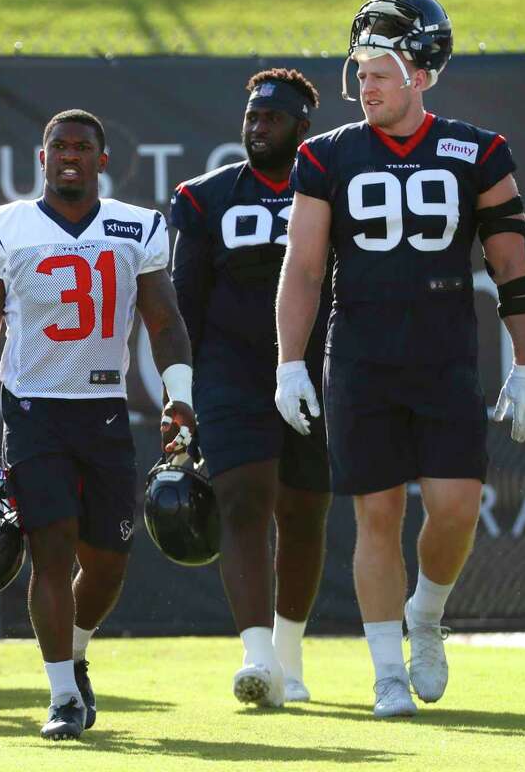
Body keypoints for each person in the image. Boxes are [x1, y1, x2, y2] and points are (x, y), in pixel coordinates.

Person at [276, 0, 525, 718]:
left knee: (457, 507)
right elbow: (303, 268)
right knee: (377, 513)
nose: (365, 84)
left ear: (421, 76)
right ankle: (385, 674)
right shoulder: (324, 154)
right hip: (361, 354)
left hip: (443, 354)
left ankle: (425, 615)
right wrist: (288, 361)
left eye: (381, 71)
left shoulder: (478, 151)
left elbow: (513, 265)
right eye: (360, 70)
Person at [0, 109, 195, 740]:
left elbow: (165, 321)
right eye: (57, 145)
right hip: (34, 410)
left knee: (110, 557)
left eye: (81, 147)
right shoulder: (4, 229)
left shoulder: (135, 227)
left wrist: (179, 397)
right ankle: (62, 692)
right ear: (41, 156)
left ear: (101, 159)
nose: (68, 155)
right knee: (51, 551)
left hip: (105, 409)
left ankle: (77, 647)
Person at [170, 68, 332, 708]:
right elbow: (184, 301)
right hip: (232, 371)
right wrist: (180, 387)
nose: (258, 128)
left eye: (272, 119)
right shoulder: (205, 196)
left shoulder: (328, 190)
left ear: (301, 127)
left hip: (314, 365)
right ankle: (257, 656)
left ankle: (289, 655)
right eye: (251, 118)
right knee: (241, 500)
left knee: (303, 511)